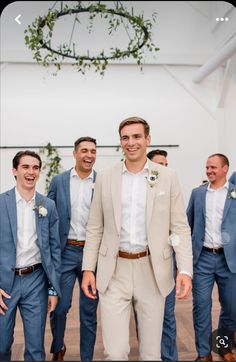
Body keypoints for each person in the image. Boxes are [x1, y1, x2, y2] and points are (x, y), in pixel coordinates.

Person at [81, 116, 193, 360]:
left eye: (136, 136)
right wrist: (88, 268)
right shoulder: (106, 178)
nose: (130, 142)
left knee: (151, 353)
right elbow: (94, 227)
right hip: (114, 270)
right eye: (125, 138)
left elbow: (180, 227)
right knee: (115, 351)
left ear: (148, 139)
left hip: (152, 270)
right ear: (120, 142)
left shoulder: (167, 176)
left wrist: (185, 269)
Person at [0, 150, 61, 361]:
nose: (31, 172)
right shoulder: (1, 203)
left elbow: (54, 252)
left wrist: (53, 288)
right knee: (1, 344)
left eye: (35, 167)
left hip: (36, 281)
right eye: (25, 167)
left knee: (36, 349)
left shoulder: (47, 205)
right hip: (4, 284)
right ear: (14, 171)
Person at [48, 137, 98, 362]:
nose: (89, 155)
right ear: (75, 153)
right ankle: (58, 347)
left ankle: (86, 357)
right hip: (66, 251)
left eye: (93, 151)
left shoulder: (103, 181)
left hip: (93, 254)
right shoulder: (59, 181)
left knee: (88, 311)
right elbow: (48, 214)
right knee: (60, 306)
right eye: (85, 151)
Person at [187, 153, 236, 361]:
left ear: (225, 169)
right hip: (203, 259)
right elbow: (187, 224)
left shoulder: (234, 194)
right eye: (207, 167)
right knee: (201, 307)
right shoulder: (197, 194)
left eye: (214, 167)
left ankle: (223, 346)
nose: (209, 171)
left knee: (232, 309)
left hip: (230, 260)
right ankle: (204, 353)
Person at [147, 149, 178, 362]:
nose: (164, 167)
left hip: (166, 260)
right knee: (146, 317)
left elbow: (180, 226)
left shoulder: (172, 186)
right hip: (139, 261)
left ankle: (169, 358)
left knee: (167, 315)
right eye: (160, 163)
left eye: (166, 163)